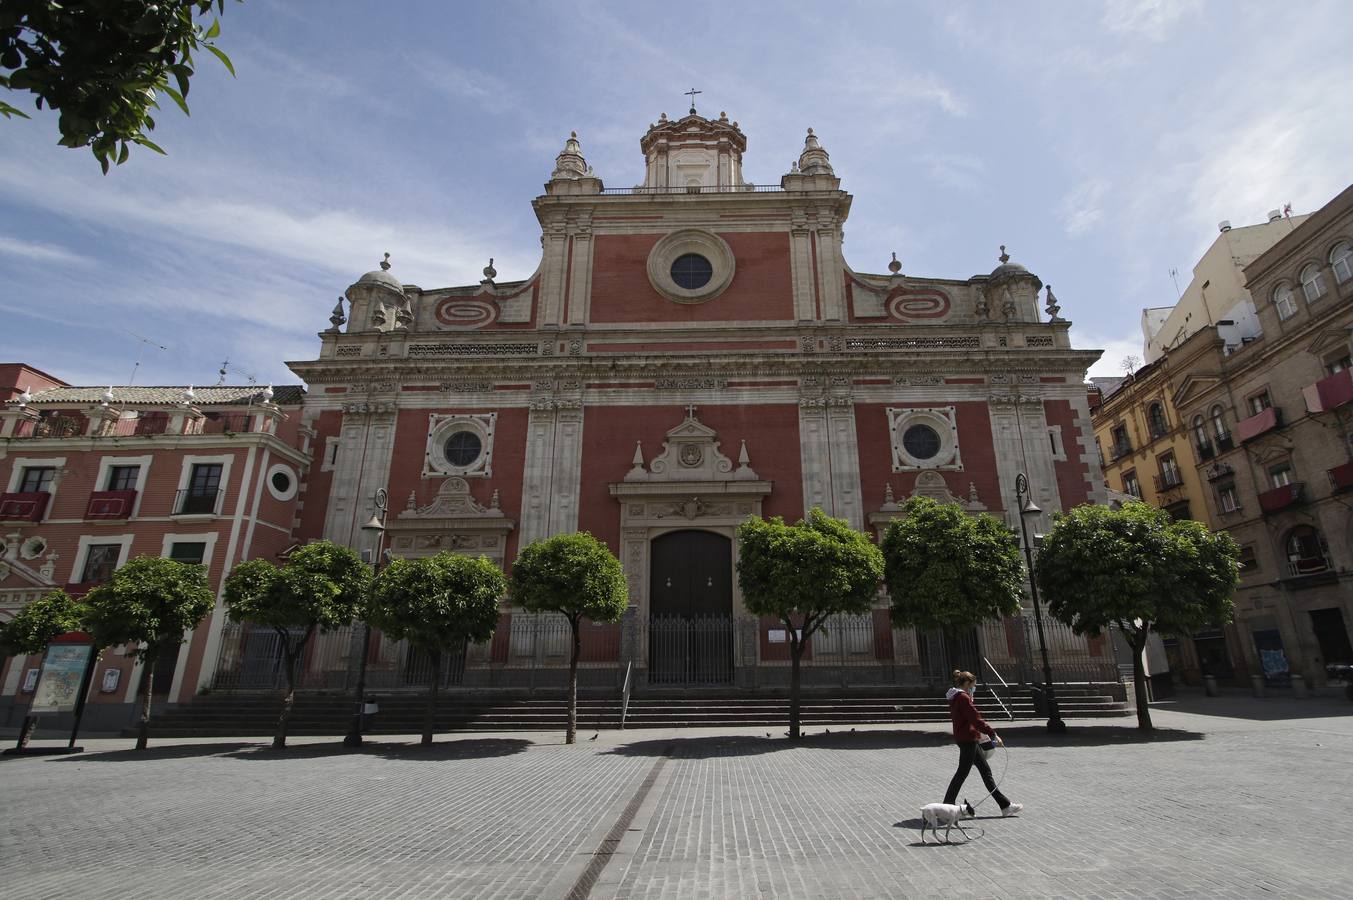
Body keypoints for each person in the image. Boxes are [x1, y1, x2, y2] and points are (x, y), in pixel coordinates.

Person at [943, 669, 1022, 816]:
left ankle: (1005, 806)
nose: (974, 687)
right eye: (973, 685)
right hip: (968, 739)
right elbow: (976, 719)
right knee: (962, 773)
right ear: (967, 683)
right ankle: (946, 807)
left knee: (985, 772)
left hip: (966, 738)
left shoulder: (956, 697)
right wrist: (993, 734)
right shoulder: (963, 698)